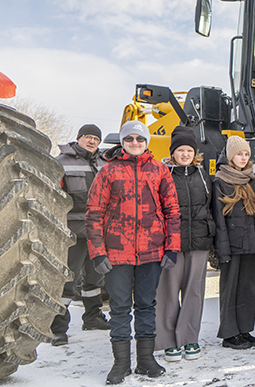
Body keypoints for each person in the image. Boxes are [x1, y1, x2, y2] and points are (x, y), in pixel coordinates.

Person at [86, 120, 181, 384]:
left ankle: (146, 359)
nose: (135, 144)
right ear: (122, 142)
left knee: (147, 306)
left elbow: (173, 212)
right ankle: (121, 363)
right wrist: (98, 252)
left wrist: (172, 247)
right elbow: (94, 214)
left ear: (146, 142)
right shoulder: (108, 171)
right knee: (119, 308)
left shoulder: (160, 171)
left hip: (151, 252)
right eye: (130, 139)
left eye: (140, 139)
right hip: (116, 253)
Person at [155, 126, 215, 362]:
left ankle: (189, 339)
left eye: (189, 150)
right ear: (173, 153)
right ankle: (169, 342)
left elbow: (210, 207)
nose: (185, 154)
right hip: (172, 243)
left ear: (194, 152)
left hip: (198, 241)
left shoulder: (203, 175)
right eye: (180, 150)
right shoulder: (164, 175)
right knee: (168, 292)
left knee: (194, 292)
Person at [51, 124, 109, 347]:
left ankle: (92, 317)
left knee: (96, 277)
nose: (92, 141)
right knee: (68, 280)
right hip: (72, 231)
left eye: (96, 138)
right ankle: (58, 328)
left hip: (99, 231)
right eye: (88, 137)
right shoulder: (61, 162)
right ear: (78, 138)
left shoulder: (105, 162)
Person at [212, 135, 255, 350]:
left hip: (249, 243)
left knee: (248, 289)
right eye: (239, 154)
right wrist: (222, 251)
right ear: (231, 157)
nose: (243, 158)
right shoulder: (220, 181)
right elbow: (218, 219)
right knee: (230, 289)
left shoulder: (251, 180)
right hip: (230, 245)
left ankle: (244, 329)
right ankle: (229, 334)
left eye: (246, 154)